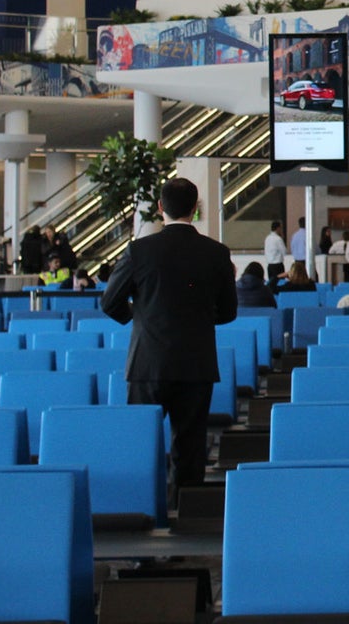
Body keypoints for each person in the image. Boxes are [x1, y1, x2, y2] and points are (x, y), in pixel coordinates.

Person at [100, 177, 237, 491]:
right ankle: (186, 509)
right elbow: (228, 312)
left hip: (148, 363)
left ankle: (141, 501)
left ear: (160, 207)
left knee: (140, 441)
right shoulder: (216, 253)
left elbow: (109, 302)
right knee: (190, 444)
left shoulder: (138, 251)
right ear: (195, 208)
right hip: (196, 363)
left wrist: (142, 317)